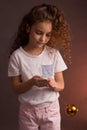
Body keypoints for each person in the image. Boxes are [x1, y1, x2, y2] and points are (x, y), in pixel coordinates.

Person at [8, 3, 71, 130]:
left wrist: (54, 84)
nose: (43, 39)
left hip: (51, 110)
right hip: (28, 112)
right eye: (39, 32)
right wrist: (31, 82)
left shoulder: (53, 54)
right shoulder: (17, 56)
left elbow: (61, 85)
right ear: (28, 28)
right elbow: (16, 88)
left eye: (48, 35)